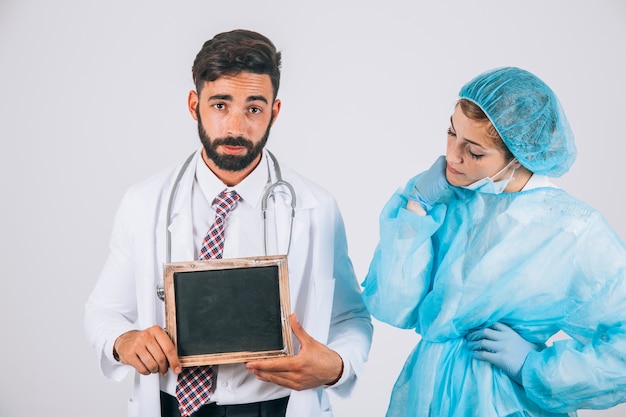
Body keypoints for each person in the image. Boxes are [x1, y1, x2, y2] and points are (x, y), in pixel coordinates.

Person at [84, 29, 372, 417]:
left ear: (275, 111)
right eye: (221, 105)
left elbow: (351, 317)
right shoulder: (144, 202)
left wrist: (337, 365)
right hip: (173, 405)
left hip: (274, 406)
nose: (236, 127)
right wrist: (123, 340)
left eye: (254, 108)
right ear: (194, 104)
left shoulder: (315, 207)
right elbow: (103, 310)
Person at [361, 66, 626, 416]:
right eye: (451, 134)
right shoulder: (445, 197)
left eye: (474, 152)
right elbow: (395, 306)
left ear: (518, 155)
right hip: (426, 393)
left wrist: (532, 366)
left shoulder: (573, 231)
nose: (452, 157)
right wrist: (415, 209)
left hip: (508, 402)